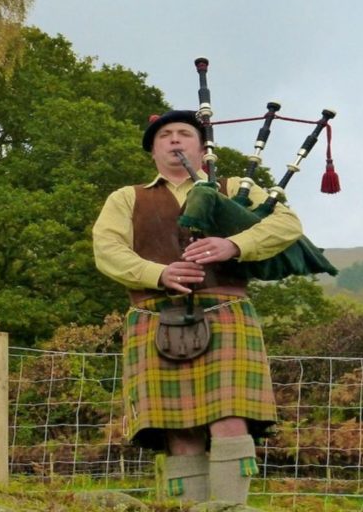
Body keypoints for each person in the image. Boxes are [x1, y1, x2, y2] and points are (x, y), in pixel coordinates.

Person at [92, 110, 303, 504]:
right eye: (165, 136)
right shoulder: (126, 198)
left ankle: (228, 507)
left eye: (184, 134)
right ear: (153, 151)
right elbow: (106, 251)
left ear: (202, 147)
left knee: (230, 419)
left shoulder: (233, 186)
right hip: (156, 316)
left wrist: (235, 244)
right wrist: (158, 273)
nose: (175, 141)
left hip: (226, 312)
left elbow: (287, 224)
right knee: (179, 431)